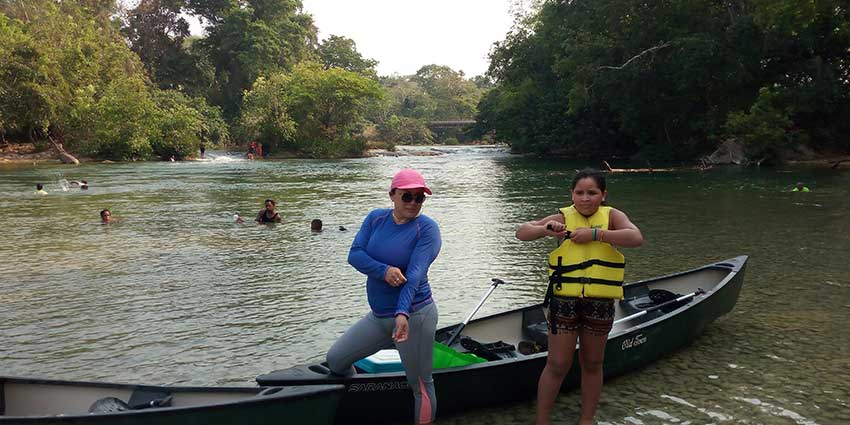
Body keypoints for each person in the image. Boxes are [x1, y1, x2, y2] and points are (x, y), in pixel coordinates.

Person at [516, 168, 643, 425]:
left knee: (593, 362)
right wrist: (545, 229)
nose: (585, 198)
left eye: (592, 193)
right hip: (564, 301)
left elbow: (635, 237)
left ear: (603, 195)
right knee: (558, 363)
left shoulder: (612, 217)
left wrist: (597, 234)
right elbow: (522, 232)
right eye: (579, 192)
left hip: (600, 303)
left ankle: (586, 420)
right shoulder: (561, 217)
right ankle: (542, 421)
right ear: (572, 194)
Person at [326, 168, 441, 424]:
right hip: (379, 317)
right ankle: (363, 402)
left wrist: (402, 313)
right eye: (407, 196)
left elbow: (415, 275)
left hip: (414, 316)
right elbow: (354, 254)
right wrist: (384, 271)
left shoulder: (427, 229)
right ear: (392, 195)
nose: (413, 203)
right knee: (336, 360)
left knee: (420, 384)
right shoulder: (375, 219)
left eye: (419, 198)